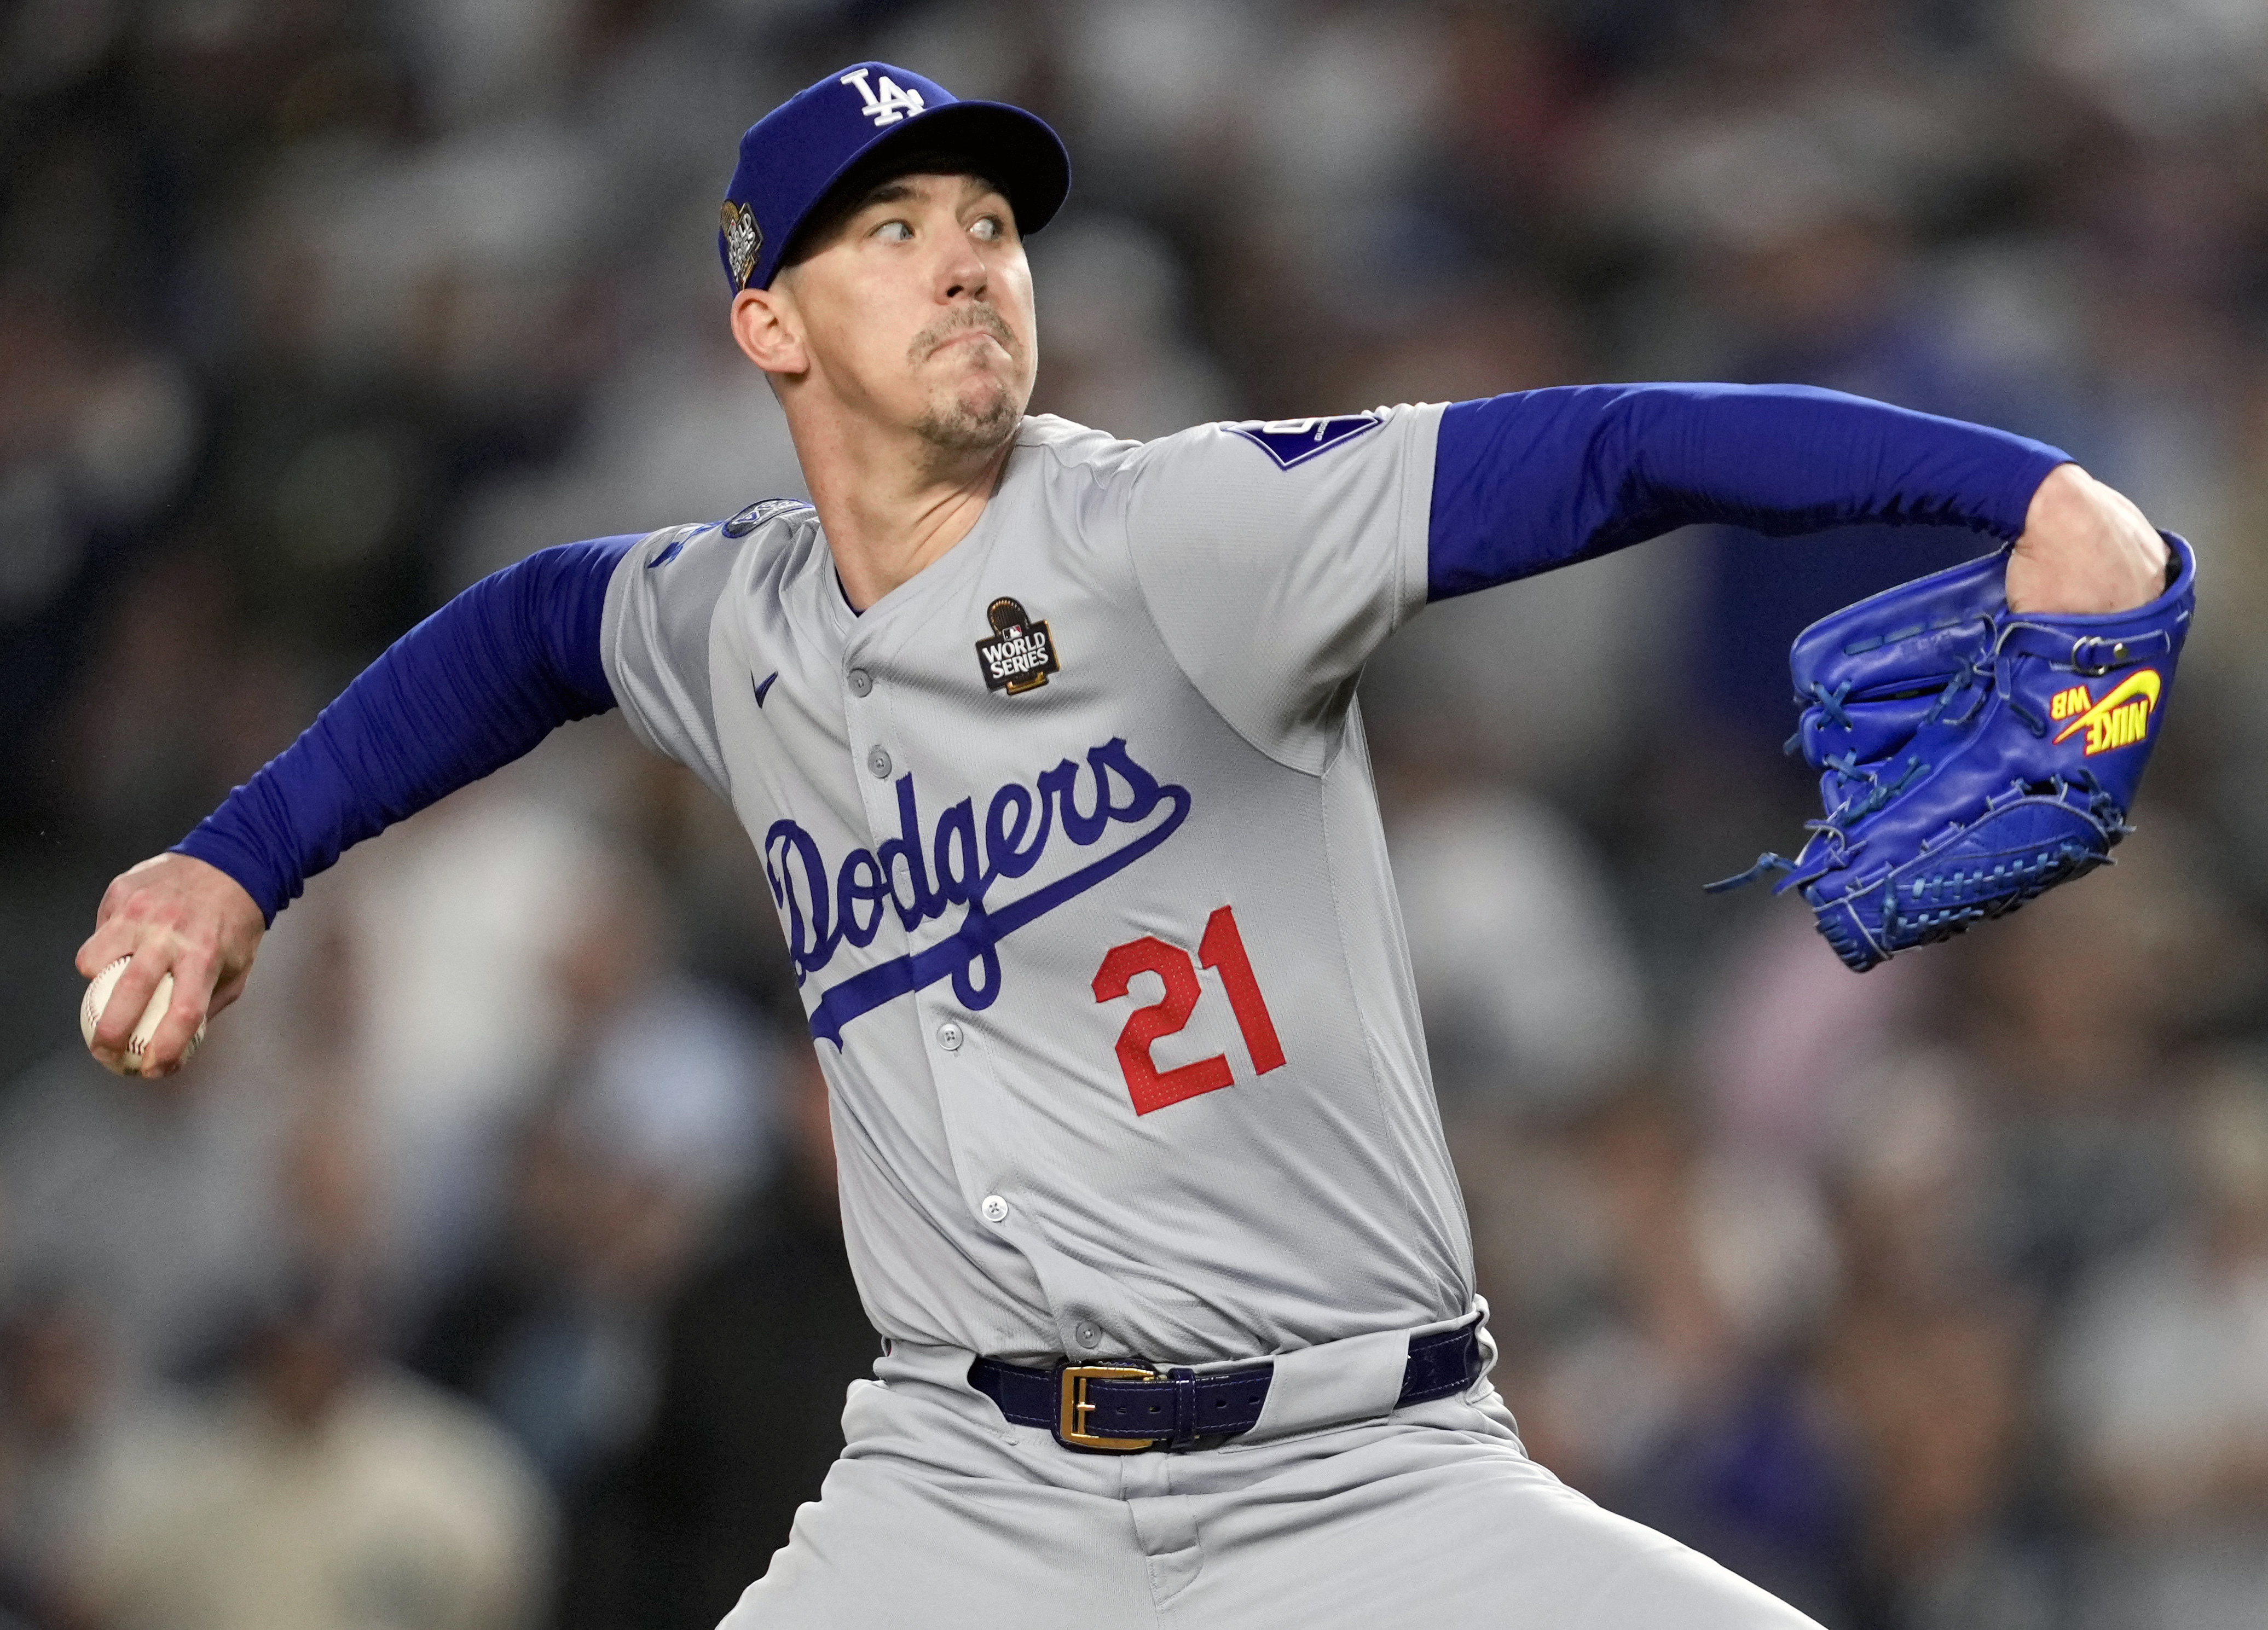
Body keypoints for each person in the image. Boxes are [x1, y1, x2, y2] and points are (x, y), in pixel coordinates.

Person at [77, 61, 2171, 1629]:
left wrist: (2023, 495)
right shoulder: (737, 625)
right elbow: (529, 626)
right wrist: (236, 859)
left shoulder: (1185, 530)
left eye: (988, 217)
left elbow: (1607, 450)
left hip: (1366, 1479)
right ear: (768, 325)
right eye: (889, 228)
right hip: (965, 1487)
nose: (969, 253)